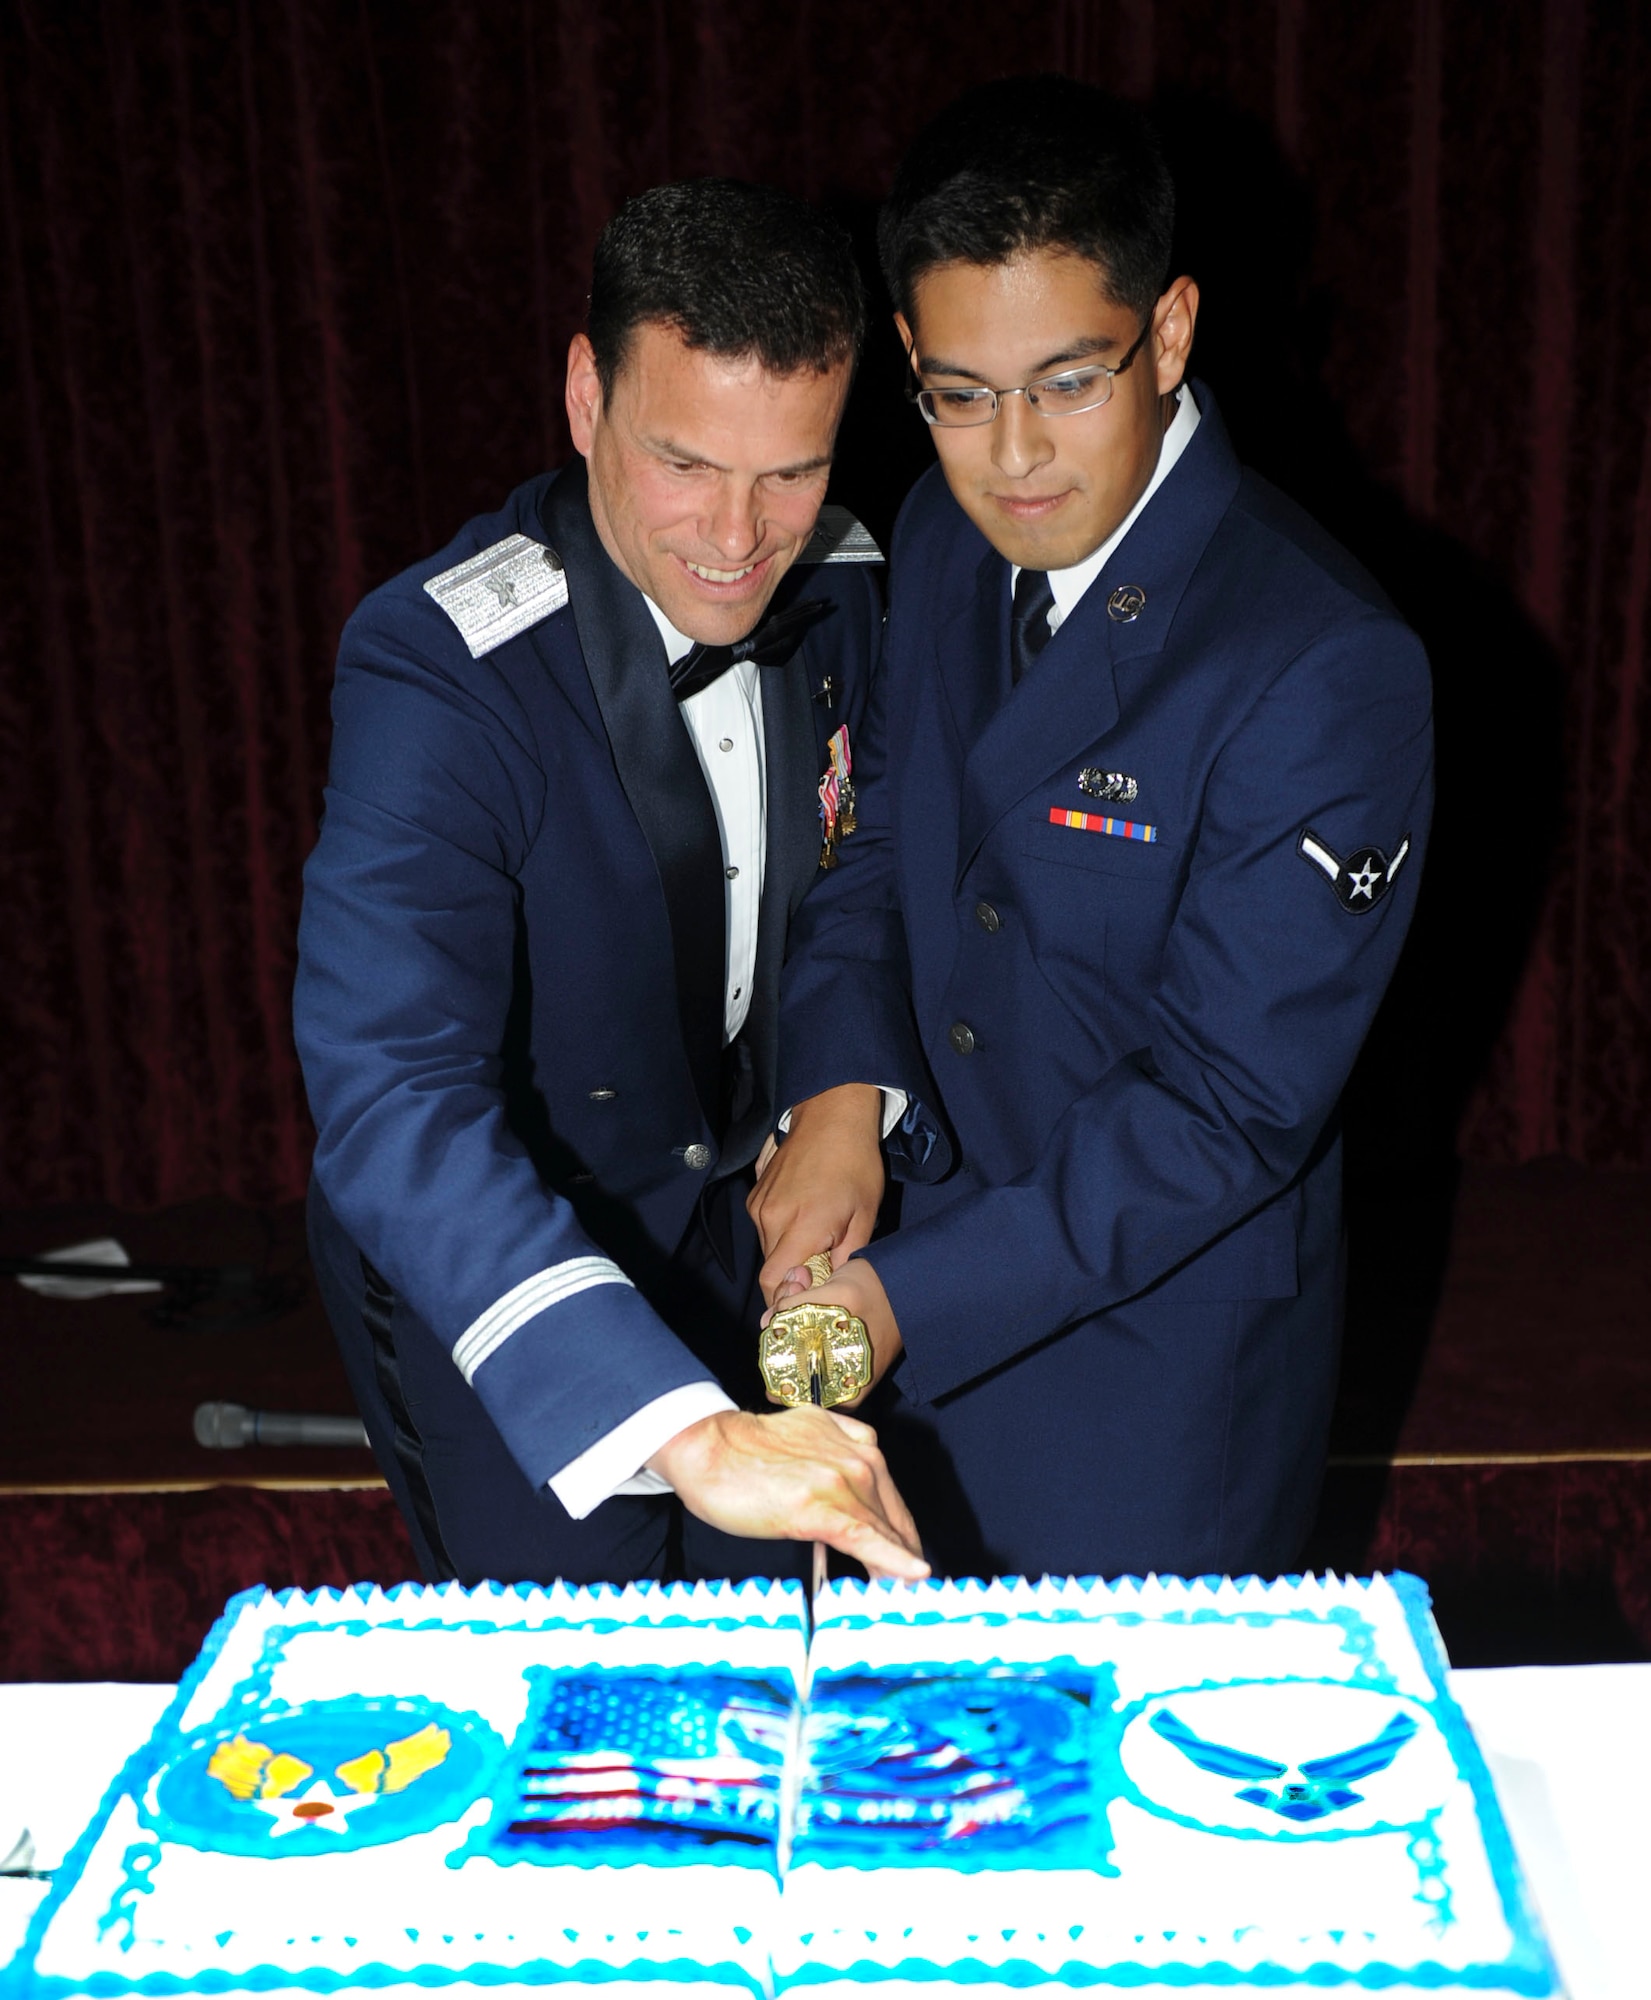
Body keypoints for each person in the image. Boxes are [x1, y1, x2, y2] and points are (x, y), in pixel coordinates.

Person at [749, 78, 1434, 1582]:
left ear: (1170, 333)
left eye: (1068, 381)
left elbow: (1226, 1107)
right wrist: (844, 1089)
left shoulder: (1320, 661)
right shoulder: (934, 536)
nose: (1013, 456)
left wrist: (907, 1296)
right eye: (961, 394)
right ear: (913, 363)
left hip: (1152, 1382)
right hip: (902, 1308)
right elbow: (875, 849)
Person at [296, 180, 928, 1590]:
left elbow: (867, 874)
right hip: (510, 1246)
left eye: (793, 472)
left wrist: (843, 1098)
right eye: (685, 462)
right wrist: (689, 1433)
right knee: (581, 1690)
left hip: (744, 1226)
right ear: (585, 396)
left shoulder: (857, 588)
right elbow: (392, 1094)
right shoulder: (436, 668)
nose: (739, 535)